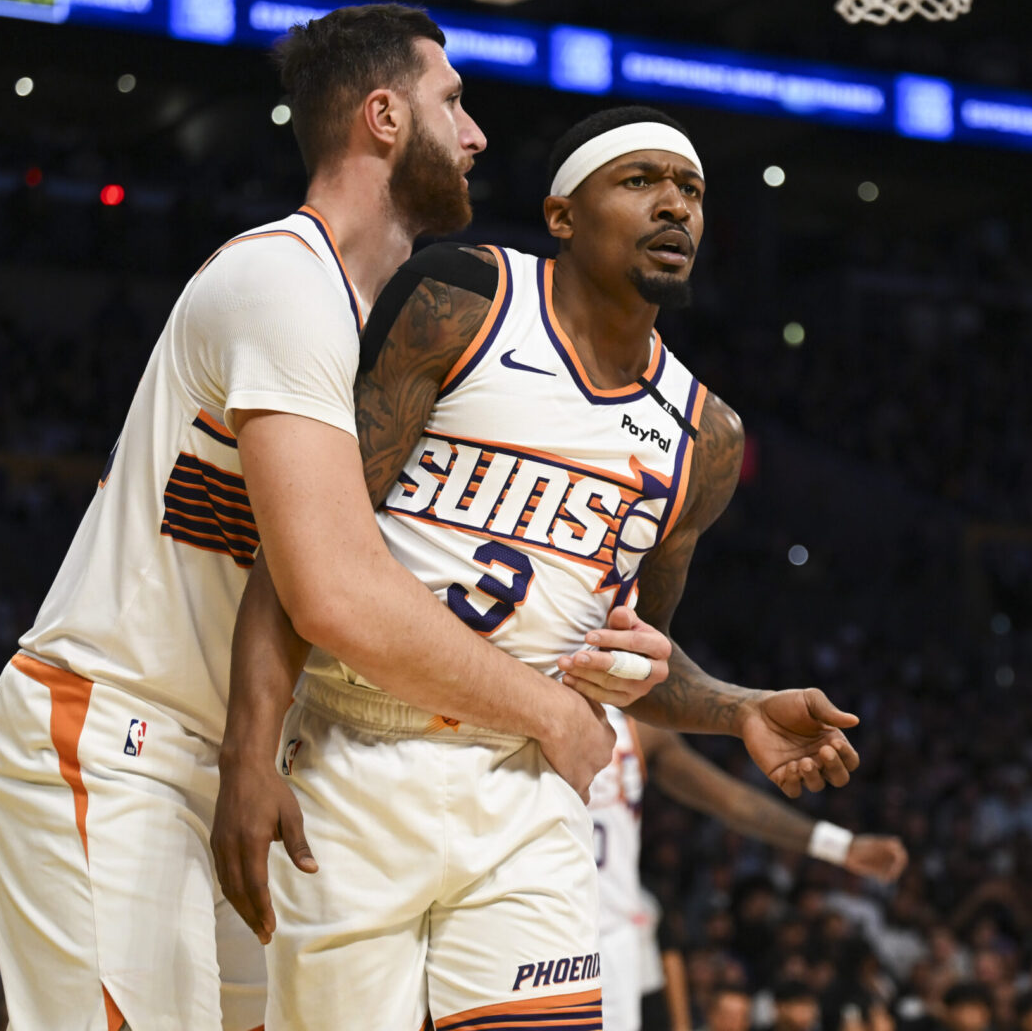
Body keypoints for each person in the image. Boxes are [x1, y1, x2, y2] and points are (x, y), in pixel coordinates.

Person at [0, 4, 671, 1031]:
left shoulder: (395, 335)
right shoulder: (283, 281)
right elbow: (339, 595)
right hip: (117, 735)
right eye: (453, 102)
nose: (476, 136)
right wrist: (551, 711)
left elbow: (454, 578)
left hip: (242, 762)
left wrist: (615, 648)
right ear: (383, 118)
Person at [221, 104, 863, 1029]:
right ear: (562, 214)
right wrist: (248, 751)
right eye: (640, 182)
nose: (675, 207)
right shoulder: (465, 300)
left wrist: (741, 709)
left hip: (529, 784)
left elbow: (633, 658)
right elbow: (303, 547)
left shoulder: (705, 437)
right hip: (352, 753)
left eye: (691, 190)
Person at [592, 706, 907, 1031]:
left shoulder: (636, 729)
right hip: (545, 919)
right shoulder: (538, 705)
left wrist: (841, 846)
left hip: (613, 935)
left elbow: (733, 801)